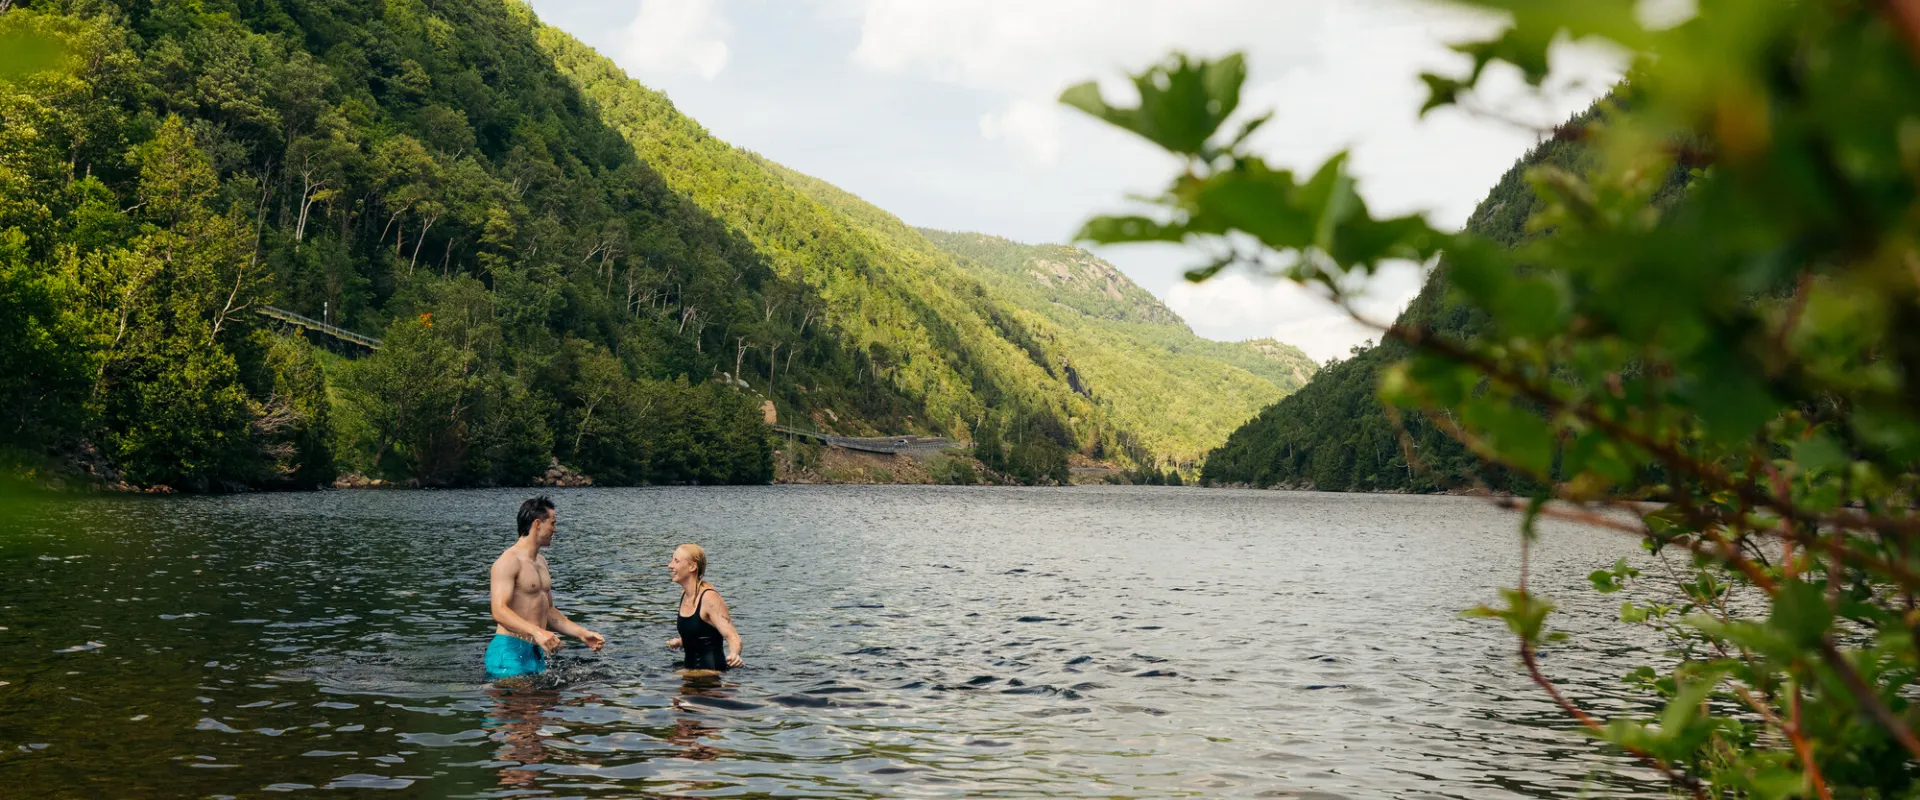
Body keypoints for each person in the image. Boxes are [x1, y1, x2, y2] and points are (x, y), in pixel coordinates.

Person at [486, 495, 606, 681]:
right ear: (537, 524)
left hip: (535, 651)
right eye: (552, 523)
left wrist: (581, 633)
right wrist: (537, 632)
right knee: (524, 705)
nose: (555, 529)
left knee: (542, 706)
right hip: (508, 650)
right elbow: (499, 611)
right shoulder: (508, 562)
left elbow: (548, 611)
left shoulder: (541, 562)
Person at [665, 544, 744, 670]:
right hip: (691, 673)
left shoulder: (709, 598)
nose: (670, 565)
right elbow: (702, 635)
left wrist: (734, 655)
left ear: (692, 566)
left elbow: (733, 637)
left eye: (676, 561)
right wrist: (682, 641)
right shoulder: (685, 595)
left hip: (710, 678)